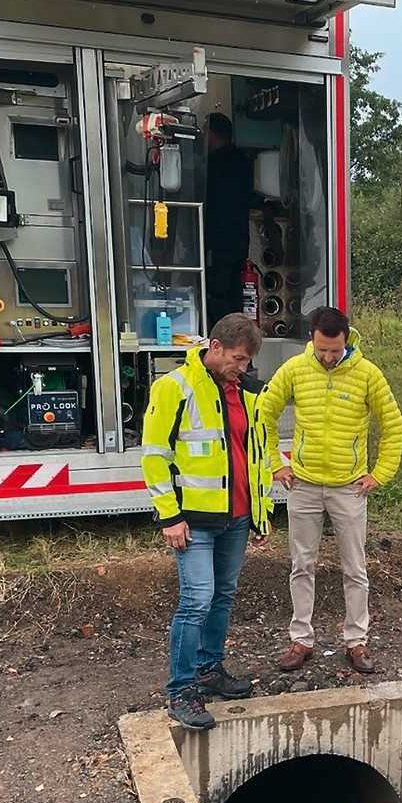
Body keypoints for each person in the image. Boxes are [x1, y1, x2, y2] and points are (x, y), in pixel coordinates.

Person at [141, 313, 273, 731]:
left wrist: (259, 513)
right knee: (196, 600)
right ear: (215, 347)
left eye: (247, 361)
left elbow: (254, 454)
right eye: (237, 359)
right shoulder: (175, 387)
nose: (243, 367)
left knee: (221, 597)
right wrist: (170, 515)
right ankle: (181, 689)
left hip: (236, 516)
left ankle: (209, 669)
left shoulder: (246, 392)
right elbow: (154, 456)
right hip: (193, 520)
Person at [261, 306, 402, 674]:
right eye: (322, 350)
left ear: (347, 340)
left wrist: (380, 473)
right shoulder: (294, 369)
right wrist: (275, 463)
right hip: (304, 484)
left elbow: (393, 425)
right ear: (312, 339)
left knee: (355, 568)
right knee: (301, 565)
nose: (328, 357)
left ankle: (356, 641)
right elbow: (264, 413)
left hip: (348, 488)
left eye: (335, 350)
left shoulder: (367, 374)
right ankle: (301, 640)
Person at [205, 113, 253, 328]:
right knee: (234, 292)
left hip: (219, 239)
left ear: (212, 134)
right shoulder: (243, 161)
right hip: (239, 239)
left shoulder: (214, 163)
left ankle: (223, 335)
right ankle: (237, 335)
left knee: (218, 293)